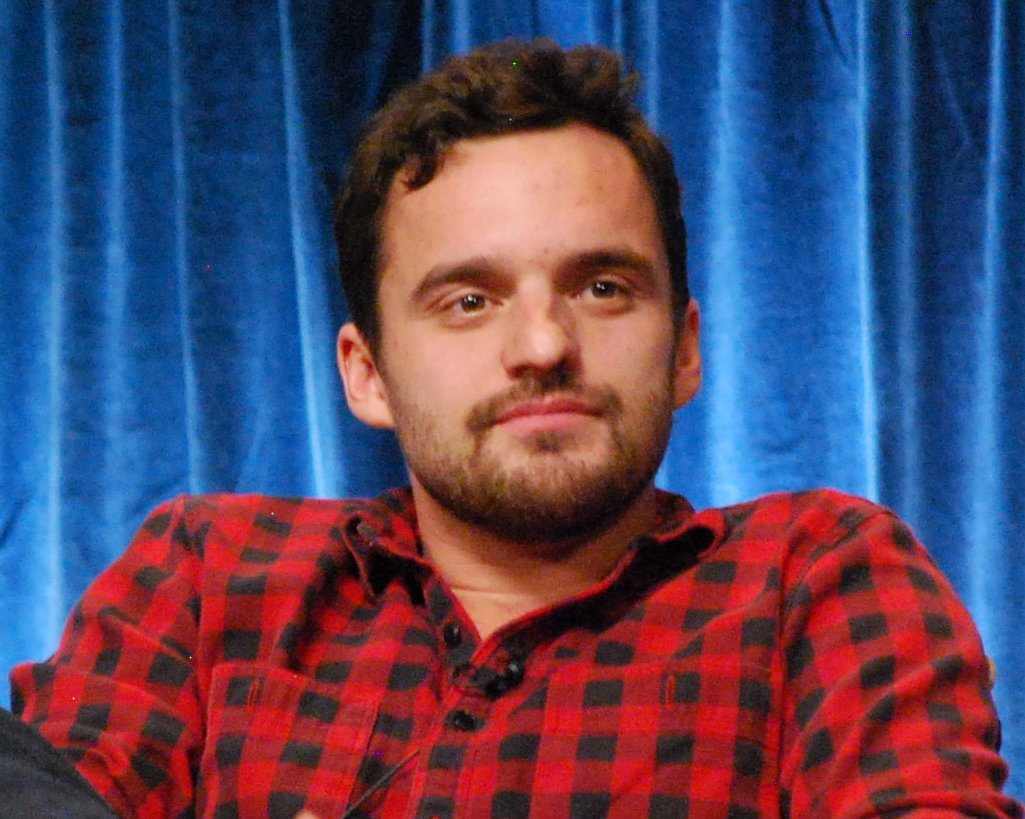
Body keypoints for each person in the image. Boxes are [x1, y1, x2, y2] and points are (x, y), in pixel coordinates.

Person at [9, 39, 1020, 818]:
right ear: (366, 374)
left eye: (603, 286)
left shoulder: (818, 576)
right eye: (468, 301)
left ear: (684, 348)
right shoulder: (208, 576)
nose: (542, 344)